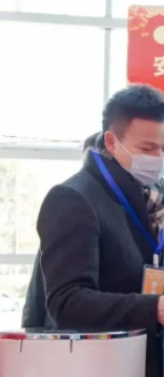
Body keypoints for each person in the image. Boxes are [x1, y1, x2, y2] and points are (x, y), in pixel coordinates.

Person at [36, 85, 164, 377]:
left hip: (142, 368)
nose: (158, 159)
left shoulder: (152, 199)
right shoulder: (74, 199)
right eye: (147, 148)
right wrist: (155, 308)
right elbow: (66, 301)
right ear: (111, 142)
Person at [23, 132, 102, 329]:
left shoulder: (156, 219)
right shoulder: (70, 203)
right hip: (62, 333)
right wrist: (29, 330)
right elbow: (38, 286)